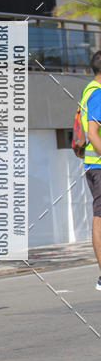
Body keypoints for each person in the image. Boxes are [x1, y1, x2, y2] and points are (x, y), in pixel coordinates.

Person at [80, 50, 101, 290]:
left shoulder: (89, 90)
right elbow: (93, 133)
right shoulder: (98, 94)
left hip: (95, 165)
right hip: (99, 165)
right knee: (100, 217)